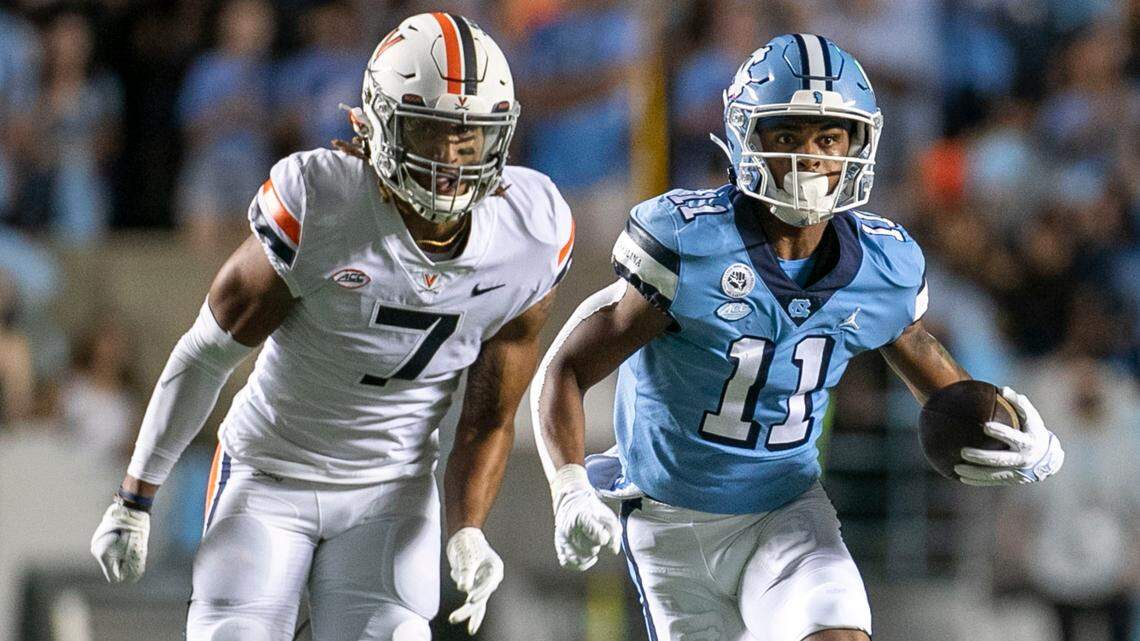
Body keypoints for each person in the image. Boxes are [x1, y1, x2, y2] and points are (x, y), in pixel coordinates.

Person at [531, 34, 1064, 641]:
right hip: (667, 523)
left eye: (828, 138)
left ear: (857, 145)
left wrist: (1016, 437)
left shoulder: (881, 267)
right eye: (786, 136)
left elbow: (940, 383)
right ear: (745, 137)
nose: (809, 157)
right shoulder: (689, 246)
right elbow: (567, 368)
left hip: (786, 513)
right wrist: (568, 489)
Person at [90, 13, 574, 641]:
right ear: (377, 124)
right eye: (428, 131)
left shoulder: (530, 234)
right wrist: (135, 497)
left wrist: (468, 530)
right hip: (271, 473)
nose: (451, 160)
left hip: (392, 491)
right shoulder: (322, 201)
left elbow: (489, 417)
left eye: (470, 137)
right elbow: (206, 353)